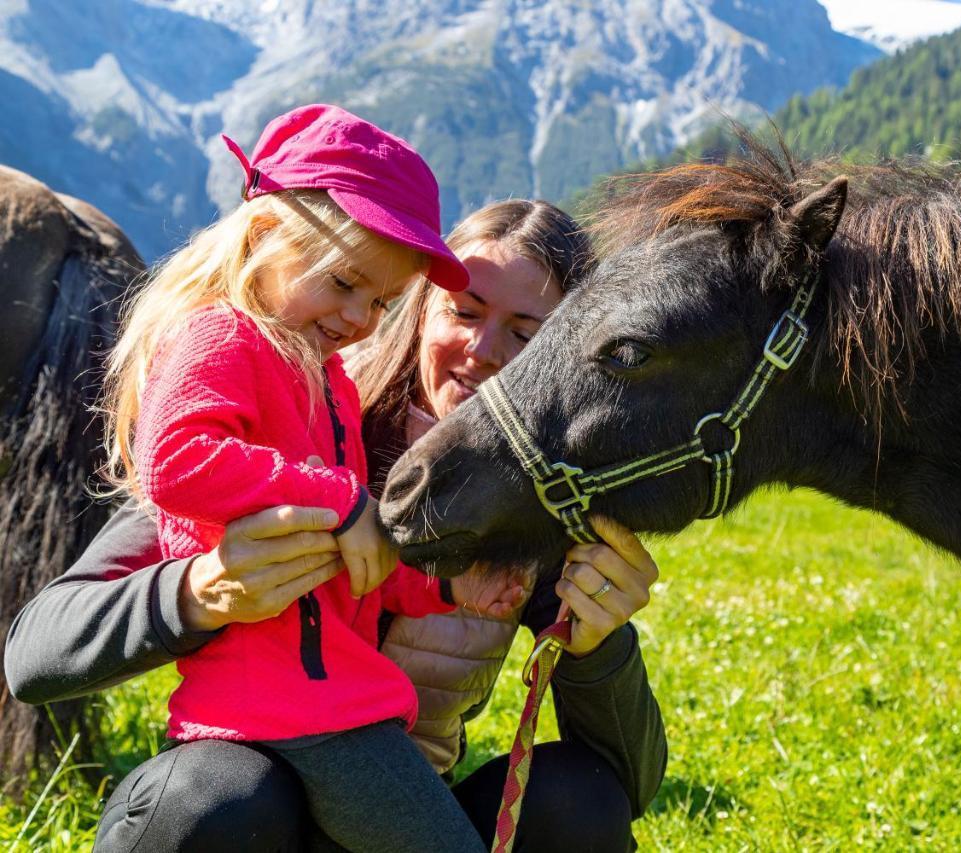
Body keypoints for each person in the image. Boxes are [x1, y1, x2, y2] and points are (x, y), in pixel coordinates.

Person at [5, 192, 667, 848]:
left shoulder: (543, 503)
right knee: (215, 795)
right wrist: (196, 593)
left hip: (389, 805)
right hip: (259, 812)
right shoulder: (287, 422)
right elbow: (35, 654)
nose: (485, 348)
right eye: (464, 311)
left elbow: (625, 785)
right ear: (419, 311)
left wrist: (599, 644)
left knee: (576, 801)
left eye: (526, 334)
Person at [98, 102, 530, 852]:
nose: (360, 316)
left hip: (323, 698)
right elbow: (176, 459)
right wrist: (338, 497)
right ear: (266, 234)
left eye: (381, 301)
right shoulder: (219, 334)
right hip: (293, 703)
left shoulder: (329, 381)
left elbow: (351, 560)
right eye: (343, 283)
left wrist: (444, 586)